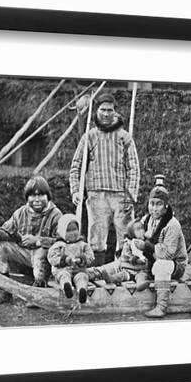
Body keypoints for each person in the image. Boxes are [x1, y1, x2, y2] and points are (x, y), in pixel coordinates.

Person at [69, 93, 140, 266]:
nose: (106, 114)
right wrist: (75, 190)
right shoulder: (89, 137)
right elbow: (76, 166)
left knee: (126, 237)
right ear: (97, 111)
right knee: (97, 238)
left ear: (115, 112)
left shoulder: (124, 137)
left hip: (120, 196)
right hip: (96, 196)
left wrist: (131, 195)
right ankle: (98, 273)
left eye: (110, 110)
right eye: (103, 110)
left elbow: (133, 168)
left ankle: (124, 271)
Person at [0, 176, 62, 306]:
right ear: (27, 198)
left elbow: (62, 243)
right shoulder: (20, 213)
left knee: (41, 250)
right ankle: (5, 291)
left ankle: (39, 294)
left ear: (48, 196)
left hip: (46, 260)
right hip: (25, 256)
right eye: (32, 195)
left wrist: (38, 241)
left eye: (41, 195)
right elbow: (6, 232)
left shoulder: (56, 214)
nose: (36, 199)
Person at [133, 175, 189, 318]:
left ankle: (161, 306)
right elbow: (136, 236)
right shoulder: (146, 220)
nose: (154, 208)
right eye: (152, 203)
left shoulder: (172, 224)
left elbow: (167, 255)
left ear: (165, 206)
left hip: (175, 264)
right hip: (151, 261)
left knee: (161, 266)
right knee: (128, 263)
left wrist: (146, 246)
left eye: (159, 204)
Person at [86, 218, 150, 287]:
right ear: (132, 232)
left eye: (142, 228)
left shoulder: (147, 242)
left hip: (140, 271)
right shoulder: (129, 242)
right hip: (127, 267)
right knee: (107, 270)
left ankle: (140, 284)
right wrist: (135, 259)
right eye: (138, 229)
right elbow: (126, 255)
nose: (141, 231)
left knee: (139, 276)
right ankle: (86, 274)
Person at [47, 214, 95, 303]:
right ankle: (66, 287)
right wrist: (64, 260)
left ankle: (82, 290)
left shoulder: (82, 244)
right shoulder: (59, 245)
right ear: (62, 231)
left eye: (74, 229)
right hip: (63, 269)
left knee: (82, 276)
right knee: (63, 275)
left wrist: (82, 260)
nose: (72, 233)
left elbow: (90, 256)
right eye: (68, 230)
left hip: (79, 270)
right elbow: (52, 258)